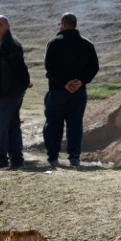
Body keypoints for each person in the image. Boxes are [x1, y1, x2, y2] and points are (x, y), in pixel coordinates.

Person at [43, 12, 99, 167]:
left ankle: (52, 156)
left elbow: (49, 67)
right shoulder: (87, 45)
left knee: (54, 123)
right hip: (79, 92)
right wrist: (80, 81)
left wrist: (64, 83)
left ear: (63, 24)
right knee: (75, 124)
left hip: (57, 91)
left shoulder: (54, 43)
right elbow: (94, 67)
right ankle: (74, 157)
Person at [0, 15, 33, 171]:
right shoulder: (2, 43)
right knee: (13, 125)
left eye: (0, 25)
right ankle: (17, 161)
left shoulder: (10, 44)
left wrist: (25, 81)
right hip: (5, 92)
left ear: (8, 26)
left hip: (7, 93)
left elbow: (20, 66)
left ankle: (0, 161)